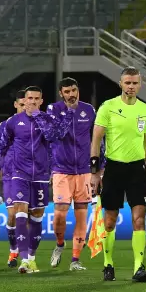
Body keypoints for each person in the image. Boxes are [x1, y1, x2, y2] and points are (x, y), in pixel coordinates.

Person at [0, 86, 73, 274]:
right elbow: (0, 147)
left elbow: (55, 136)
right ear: (24, 100)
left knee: (36, 217)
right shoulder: (13, 122)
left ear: (41, 101)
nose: (32, 101)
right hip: (19, 173)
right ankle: (24, 259)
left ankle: (32, 258)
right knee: (20, 212)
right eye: (30, 98)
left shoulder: (47, 119)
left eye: (37, 98)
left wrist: (38, 116)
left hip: (42, 175)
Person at [90, 66, 146, 282]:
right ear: (120, 83)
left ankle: (139, 268)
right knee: (109, 222)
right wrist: (94, 172)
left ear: (140, 84)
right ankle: (108, 264)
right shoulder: (107, 107)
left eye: (134, 83)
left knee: (139, 219)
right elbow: (96, 140)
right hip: (114, 169)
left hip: (137, 170)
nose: (131, 86)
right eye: (127, 82)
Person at [48, 78, 98, 271]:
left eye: (74, 90)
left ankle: (75, 259)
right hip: (62, 170)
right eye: (67, 91)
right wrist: (69, 111)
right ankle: (60, 244)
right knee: (59, 215)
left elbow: (97, 140)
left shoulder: (89, 110)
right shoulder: (54, 109)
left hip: (84, 171)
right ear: (61, 93)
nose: (71, 94)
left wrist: (98, 168)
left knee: (82, 216)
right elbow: (57, 134)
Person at [0, 90, 27, 268]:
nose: (24, 108)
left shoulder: (36, 124)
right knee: (13, 215)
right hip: (10, 176)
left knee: (27, 217)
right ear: (15, 105)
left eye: (26, 104)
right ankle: (14, 250)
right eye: (21, 104)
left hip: (31, 176)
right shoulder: (5, 125)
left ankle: (27, 255)